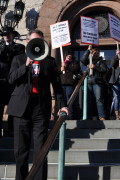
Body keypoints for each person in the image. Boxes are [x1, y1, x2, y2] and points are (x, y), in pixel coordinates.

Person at [7, 29, 69, 180]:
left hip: (40, 109)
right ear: (28, 42)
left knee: (41, 149)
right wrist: (26, 65)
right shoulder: (18, 59)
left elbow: (57, 85)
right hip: (21, 109)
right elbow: (11, 79)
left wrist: (62, 104)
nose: (36, 45)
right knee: (20, 151)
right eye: (34, 42)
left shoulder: (49, 61)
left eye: (39, 42)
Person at [0, 27, 25, 137]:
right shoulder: (0, 47)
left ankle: (11, 130)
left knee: (13, 107)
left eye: (9, 34)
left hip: (13, 82)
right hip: (1, 82)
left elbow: (17, 56)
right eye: (5, 34)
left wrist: (7, 48)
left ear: (13, 35)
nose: (6, 36)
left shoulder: (19, 47)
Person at [81, 45, 107, 120]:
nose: (96, 54)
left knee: (99, 99)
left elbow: (104, 70)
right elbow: (82, 60)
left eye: (97, 52)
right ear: (91, 54)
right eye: (94, 52)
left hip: (97, 82)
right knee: (88, 100)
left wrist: (94, 67)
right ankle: (88, 116)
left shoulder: (101, 61)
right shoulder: (88, 61)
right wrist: (87, 50)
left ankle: (101, 116)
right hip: (88, 81)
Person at [60, 53, 82, 119]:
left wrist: (66, 65)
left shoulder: (74, 63)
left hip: (70, 84)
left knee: (69, 99)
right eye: (67, 56)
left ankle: (70, 116)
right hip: (62, 84)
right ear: (65, 57)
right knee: (62, 100)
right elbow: (56, 72)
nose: (69, 57)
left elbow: (75, 69)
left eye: (70, 56)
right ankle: (62, 116)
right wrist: (61, 69)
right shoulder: (61, 63)